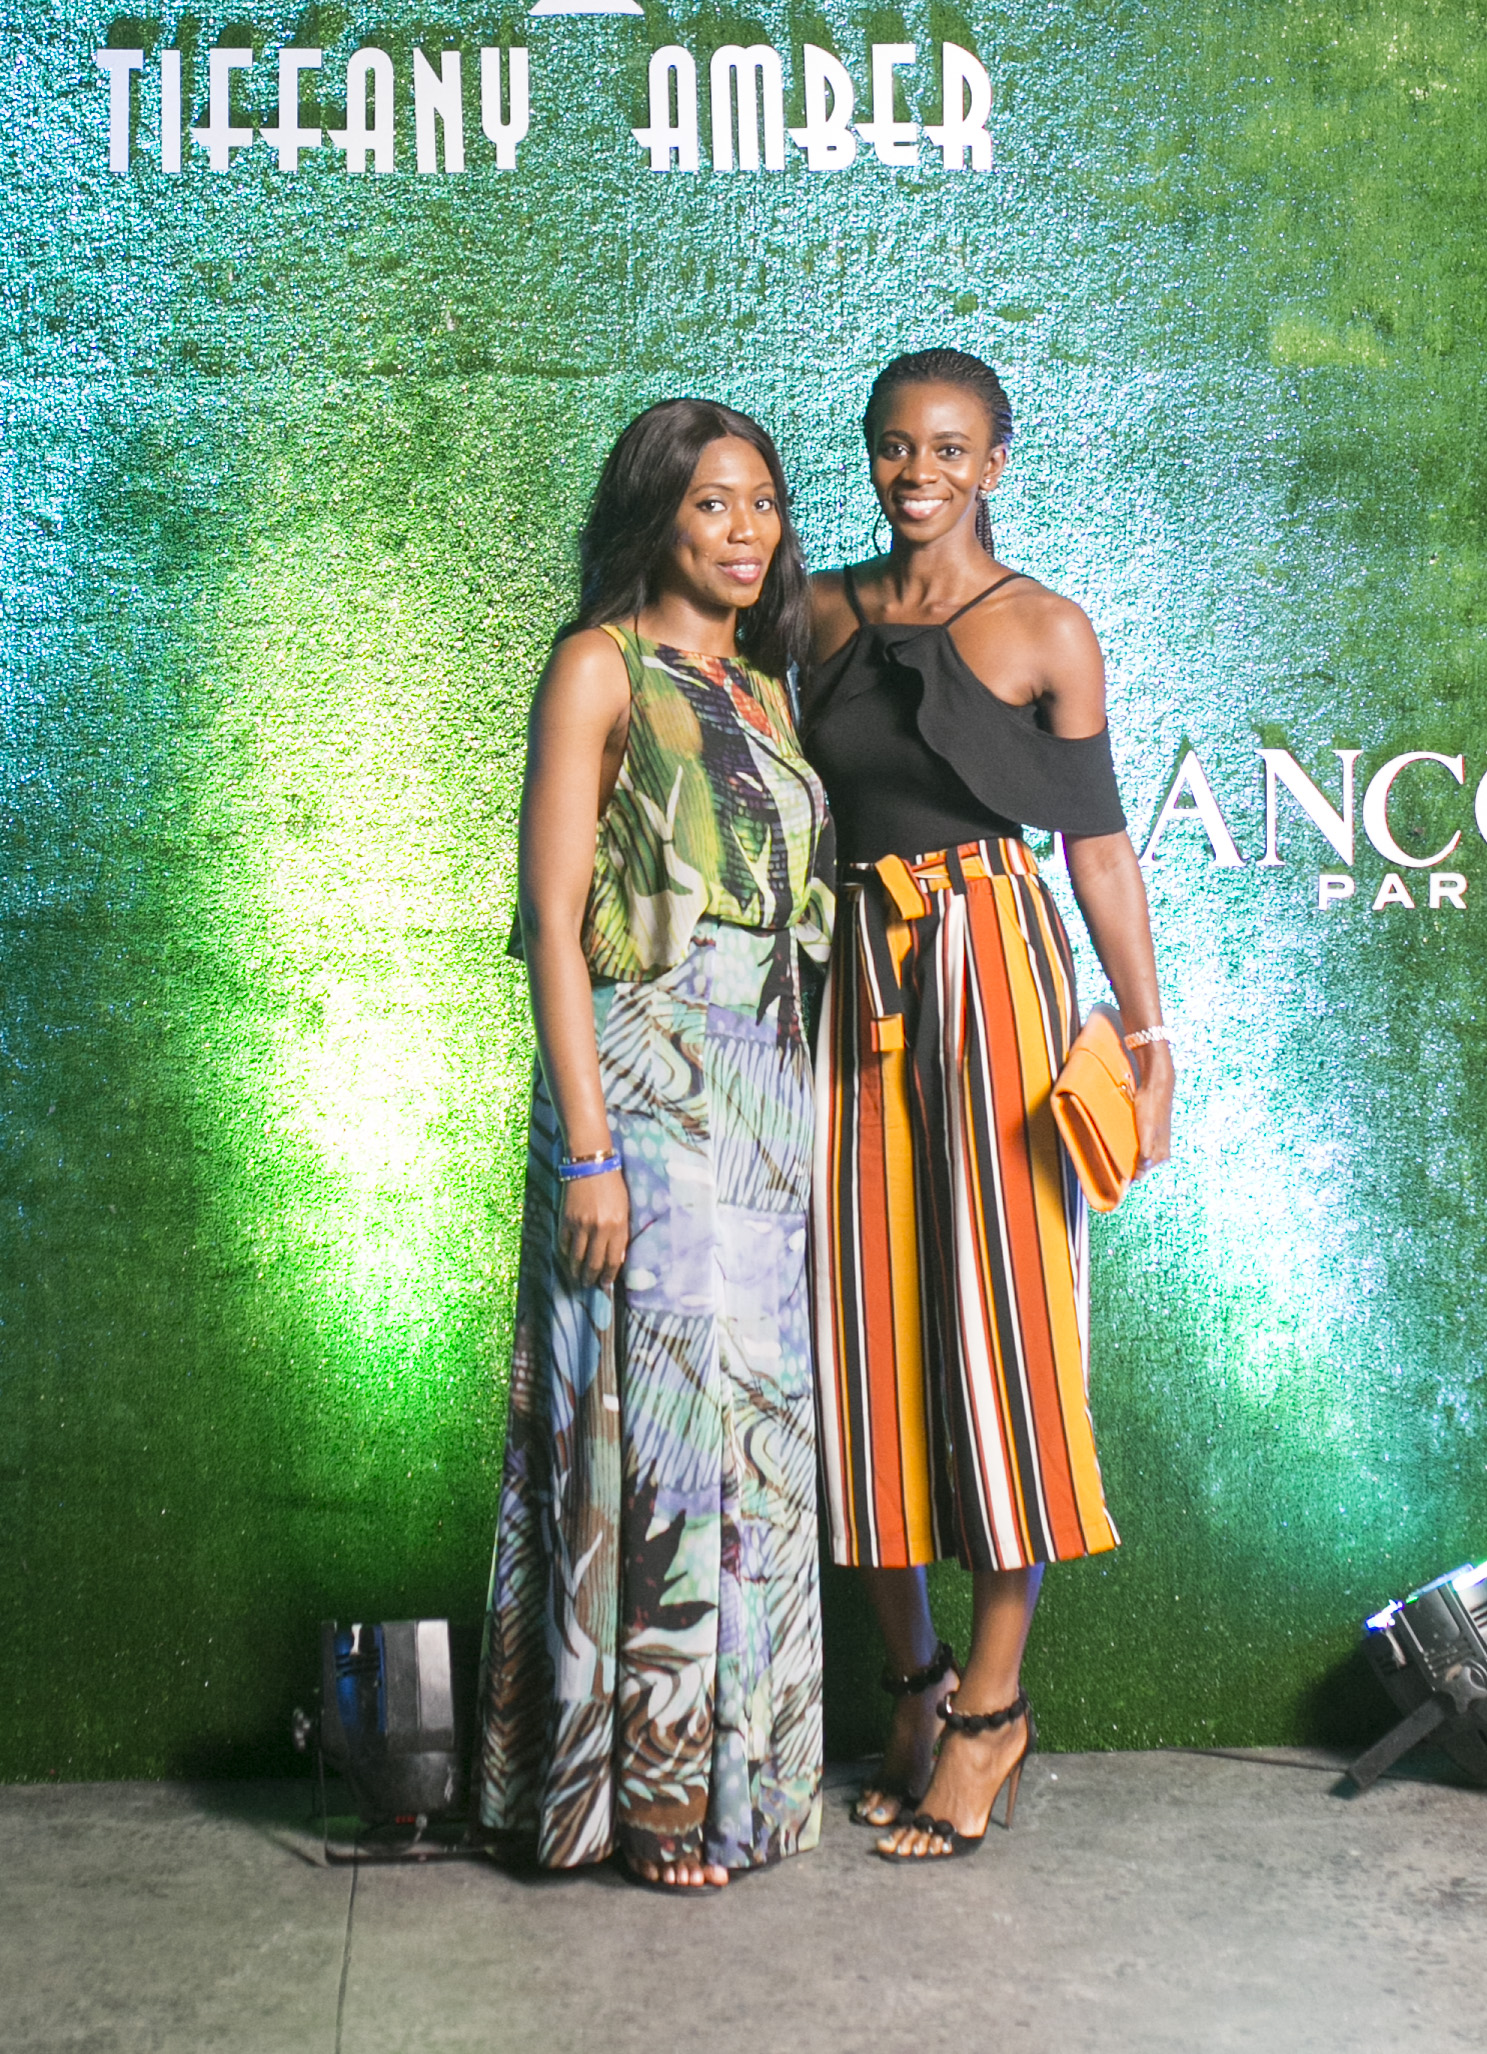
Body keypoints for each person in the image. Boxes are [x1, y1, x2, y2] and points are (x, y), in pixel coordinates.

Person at [799, 348, 1173, 1862]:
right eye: (896, 445)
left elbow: (1097, 848)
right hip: (852, 979)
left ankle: (993, 1713)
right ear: (871, 455)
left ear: (996, 462)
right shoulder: (815, 614)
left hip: (997, 969)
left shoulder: (1047, 628)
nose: (919, 472)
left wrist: (1149, 1030)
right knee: (858, 1331)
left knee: (1007, 1335)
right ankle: (916, 1683)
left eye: (949, 448)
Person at [476, 399, 834, 1890]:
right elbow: (555, 921)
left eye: (763, 503)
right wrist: (588, 1150)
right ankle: (654, 1797)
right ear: (655, 517)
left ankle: (749, 1781)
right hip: (647, 1077)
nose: (745, 531)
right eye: (712, 504)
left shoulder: (765, 685)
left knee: (758, 1434)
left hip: (767, 1092)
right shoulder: (597, 667)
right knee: (670, 1435)